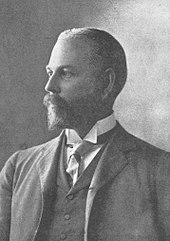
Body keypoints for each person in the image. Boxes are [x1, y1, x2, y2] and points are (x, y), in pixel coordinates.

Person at [0, 27, 170, 241]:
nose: (49, 86)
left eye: (66, 74)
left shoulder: (161, 171)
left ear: (106, 83)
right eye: (50, 73)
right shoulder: (17, 169)